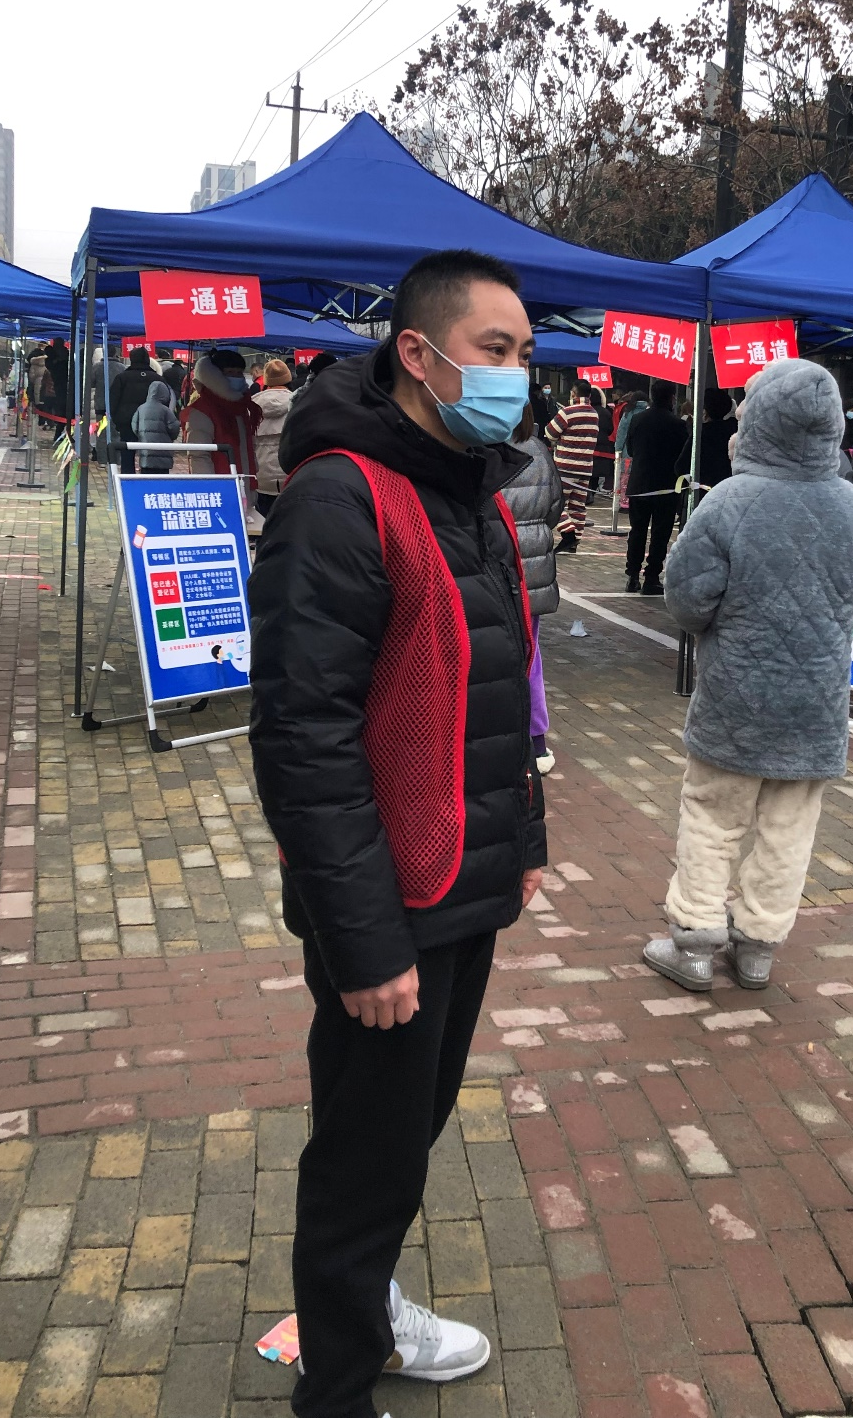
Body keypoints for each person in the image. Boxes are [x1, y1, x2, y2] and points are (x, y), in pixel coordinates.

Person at [248, 248, 545, 1417]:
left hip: (463, 880)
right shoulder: (340, 498)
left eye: (524, 352)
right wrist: (366, 942)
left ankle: (364, 1308)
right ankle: (334, 1381)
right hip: (389, 902)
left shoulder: (470, 487)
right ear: (417, 354)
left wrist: (520, 843)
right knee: (365, 1153)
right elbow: (304, 739)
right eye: (495, 349)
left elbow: (499, 691)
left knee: (406, 1129)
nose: (517, 374)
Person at [643, 360, 853, 992]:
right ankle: (758, 946)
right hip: (817, 702)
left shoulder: (730, 499)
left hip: (736, 694)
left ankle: (695, 940)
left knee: (712, 815)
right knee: (789, 828)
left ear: (756, 422)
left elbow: (687, 599)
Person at [502, 400, 564, 777]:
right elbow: (554, 508)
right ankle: (536, 741)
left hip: (495, 569)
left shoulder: (479, 449)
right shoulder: (540, 451)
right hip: (535, 573)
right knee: (530, 655)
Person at [625, 380, 688, 593]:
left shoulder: (637, 419)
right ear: (672, 397)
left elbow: (630, 449)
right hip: (666, 486)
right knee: (660, 534)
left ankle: (632, 575)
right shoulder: (678, 424)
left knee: (637, 531)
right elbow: (683, 456)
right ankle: (652, 577)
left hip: (639, 484)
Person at [181, 348, 260, 489]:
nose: (236, 377)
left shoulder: (241, 406)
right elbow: (199, 456)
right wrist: (210, 489)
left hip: (244, 484)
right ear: (215, 374)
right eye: (230, 372)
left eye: (239, 373)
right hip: (220, 489)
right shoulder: (202, 410)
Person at [545, 378, 601, 551]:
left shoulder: (567, 412)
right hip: (585, 468)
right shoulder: (594, 414)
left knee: (554, 502)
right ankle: (574, 541)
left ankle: (568, 533)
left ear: (573, 393)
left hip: (565, 467)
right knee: (578, 506)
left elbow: (550, 432)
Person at [253, 359, 295, 518]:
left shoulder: (252, 404)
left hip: (260, 479)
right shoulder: (298, 403)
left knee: (262, 526)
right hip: (290, 477)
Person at [108, 347, 160, 474]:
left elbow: (113, 401)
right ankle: (147, 477)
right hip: (151, 422)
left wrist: (117, 420)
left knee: (127, 453)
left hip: (126, 422)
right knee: (149, 453)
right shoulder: (157, 379)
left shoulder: (122, 378)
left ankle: (128, 478)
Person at [675, 386, 734, 495]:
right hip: (729, 491)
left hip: (702, 493)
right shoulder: (734, 432)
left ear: (705, 410)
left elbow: (681, 466)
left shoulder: (701, 434)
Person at [131, 379, 181, 473]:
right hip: (163, 453)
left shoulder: (141, 408)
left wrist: (142, 435)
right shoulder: (166, 410)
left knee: (146, 477)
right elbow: (174, 428)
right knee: (162, 478)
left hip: (146, 452)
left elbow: (134, 427)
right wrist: (170, 438)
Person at [590, 387, 615, 492]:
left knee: (588, 473)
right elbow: (610, 429)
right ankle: (593, 492)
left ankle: (589, 494)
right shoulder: (606, 412)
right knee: (597, 473)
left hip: (589, 445)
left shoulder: (588, 411)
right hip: (603, 446)